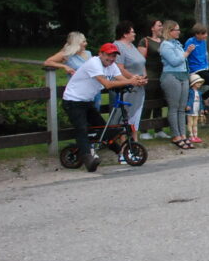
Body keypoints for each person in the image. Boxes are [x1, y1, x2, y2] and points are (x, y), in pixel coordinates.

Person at [61, 43, 147, 172]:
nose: (111, 58)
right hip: (73, 100)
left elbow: (121, 79)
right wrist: (130, 81)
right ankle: (88, 158)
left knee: (103, 128)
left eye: (114, 56)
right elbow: (107, 84)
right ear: (100, 54)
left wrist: (137, 81)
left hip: (86, 101)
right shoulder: (94, 63)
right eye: (108, 55)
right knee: (82, 128)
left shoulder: (111, 66)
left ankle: (121, 152)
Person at [159, 20, 194, 150]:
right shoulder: (165, 45)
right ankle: (176, 135)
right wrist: (187, 53)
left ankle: (183, 134)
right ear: (169, 31)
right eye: (176, 29)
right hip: (171, 76)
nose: (179, 32)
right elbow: (174, 61)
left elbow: (183, 61)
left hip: (183, 75)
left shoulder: (178, 44)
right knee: (173, 107)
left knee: (182, 108)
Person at [45, 32, 101, 110]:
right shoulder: (67, 55)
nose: (86, 43)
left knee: (95, 113)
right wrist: (64, 66)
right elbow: (48, 62)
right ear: (76, 43)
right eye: (83, 41)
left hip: (93, 89)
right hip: (78, 92)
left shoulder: (88, 53)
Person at [113, 20, 147, 141]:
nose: (134, 34)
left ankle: (134, 141)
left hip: (139, 86)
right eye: (132, 32)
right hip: (126, 86)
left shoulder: (132, 46)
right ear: (124, 34)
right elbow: (119, 68)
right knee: (125, 114)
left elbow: (141, 63)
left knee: (136, 114)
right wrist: (133, 78)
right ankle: (123, 144)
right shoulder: (118, 46)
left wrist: (144, 78)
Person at [137, 19, 168, 140]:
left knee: (159, 102)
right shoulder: (144, 41)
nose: (161, 27)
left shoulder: (164, 41)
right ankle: (144, 129)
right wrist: (144, 75)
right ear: (152, 28)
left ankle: (158, 129)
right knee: (148, 102)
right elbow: (140, 60)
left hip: (163, 75)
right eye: (159, 25)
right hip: (150, 75)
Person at [185, 73, 206, 144]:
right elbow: (189, 99)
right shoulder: (190, 92)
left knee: (195, 123)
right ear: (193, 83)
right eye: (198, 83)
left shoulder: (199, 93)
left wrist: (202, 109)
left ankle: (195, 136)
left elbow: (200, 101)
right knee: (190, 123)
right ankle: (191, 136)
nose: (199, 84)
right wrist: (188, 105)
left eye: (200, 83)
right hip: (190, 110)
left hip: (196, 110)